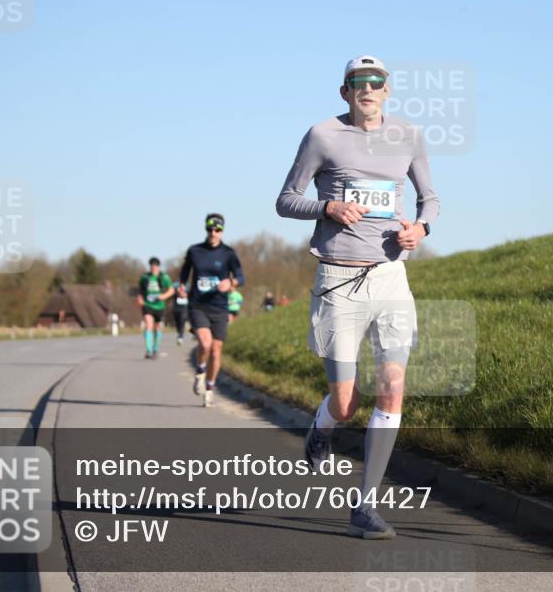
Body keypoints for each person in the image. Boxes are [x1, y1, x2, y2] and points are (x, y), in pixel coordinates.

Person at [275, 55, 439, 539]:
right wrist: (327, 206)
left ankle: (365, 506)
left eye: (375, 81)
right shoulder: (322, 136)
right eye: (357, 82)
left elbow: (430, 199)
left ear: (387, 90)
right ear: (344, 91)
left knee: (392, 387)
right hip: (338, 281)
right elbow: (285, 200)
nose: (367, 88)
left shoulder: (408, 136)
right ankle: (323, 426)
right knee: (346, 402)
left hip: (390, 277)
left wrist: (421, 228)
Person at [179, 213, 245, 407]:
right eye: (210, 229)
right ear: (206, 229)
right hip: (198, 305)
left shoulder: (229, 253)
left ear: (222, 231)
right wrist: (181, 285)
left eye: (217, 229)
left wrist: (231, 282)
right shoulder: (195, 251)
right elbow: (185, 271)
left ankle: (209, 388)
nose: (213, 232)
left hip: (220, 307)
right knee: (205, 343)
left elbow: (241, 277)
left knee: (216, 351)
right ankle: (200, 370)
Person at [138, 257, 174, 359]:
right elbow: (140, 291)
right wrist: (140, 299)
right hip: (148, 305)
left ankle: (155, 348)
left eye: (155, 266)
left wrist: (164, 296)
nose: (153, 267)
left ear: (158, 266)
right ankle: (148, 350)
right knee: (148, 324)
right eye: (152, 266)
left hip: (160, 306)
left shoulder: (164, 277)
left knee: (157, 327)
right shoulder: (145, 277)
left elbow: (171, 290)